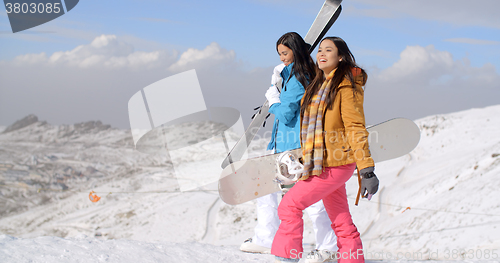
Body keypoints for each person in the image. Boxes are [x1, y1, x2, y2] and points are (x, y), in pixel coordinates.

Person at [271, 36, 380, 263]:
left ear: (340, 57)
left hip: (335, 163)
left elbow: (355, 127)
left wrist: (367, 170)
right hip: (320, 162)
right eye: (320, 50)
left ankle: (286, 258)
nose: (321, 54)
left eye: (328, 50)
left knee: (289, 206)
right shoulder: (318, 85)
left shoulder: (346, 87)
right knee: (340, 219)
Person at [240, 32, 338, 263]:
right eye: (280, 54)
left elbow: (285, 113)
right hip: (283, 144)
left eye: (285, 53)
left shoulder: (297, 78)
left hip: (294, 148)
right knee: (267, 191)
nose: (282, 58)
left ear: (295, 50)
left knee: (308, 198)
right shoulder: (294, 75)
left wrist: (273, 98)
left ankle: (329, 246)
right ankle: (266, 239)